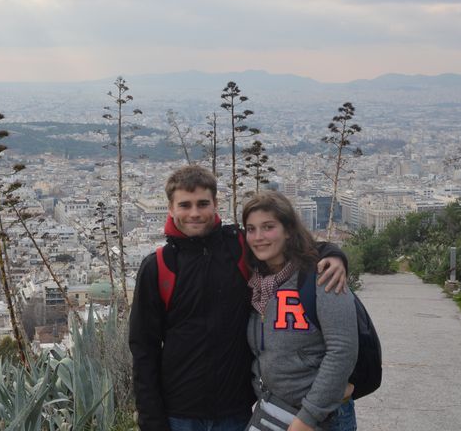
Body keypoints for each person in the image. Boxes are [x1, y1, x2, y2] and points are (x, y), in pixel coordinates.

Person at [129, 165, 349, 431]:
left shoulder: (239, 246)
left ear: (215, 204)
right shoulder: (158, 267)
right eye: (185, 205)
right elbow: (144, 348)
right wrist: (151, 420)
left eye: (202, 204)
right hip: (179, 413)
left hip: (236, 410)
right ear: (171, 208)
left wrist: (334, 254)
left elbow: (288, 244)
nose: (195, 213)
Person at [243, 191, 358, 431]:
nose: (258, 237)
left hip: (320, 419)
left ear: (288, 230)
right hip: (273, 410)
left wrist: (308, 417)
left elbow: (342, 350)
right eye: (251, 229)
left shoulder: (322, 276)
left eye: (268, 227)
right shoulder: (256, 285)